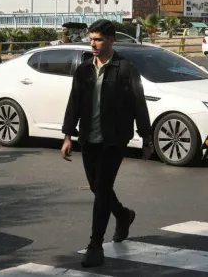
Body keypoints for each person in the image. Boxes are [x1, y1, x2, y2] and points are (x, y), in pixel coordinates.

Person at [61, 19, 152, 268]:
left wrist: (147, 137)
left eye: (98, 39)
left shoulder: (125, 69)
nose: (94, 44)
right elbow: (74, 103)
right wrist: (68, 135)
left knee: (101, 190)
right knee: (96, 187)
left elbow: (138, 103)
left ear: (111, 40)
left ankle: (95, 245)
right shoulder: (84, 70)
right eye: (91, 39)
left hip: (114, 140)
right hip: (89, 139)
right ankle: (123, 215)